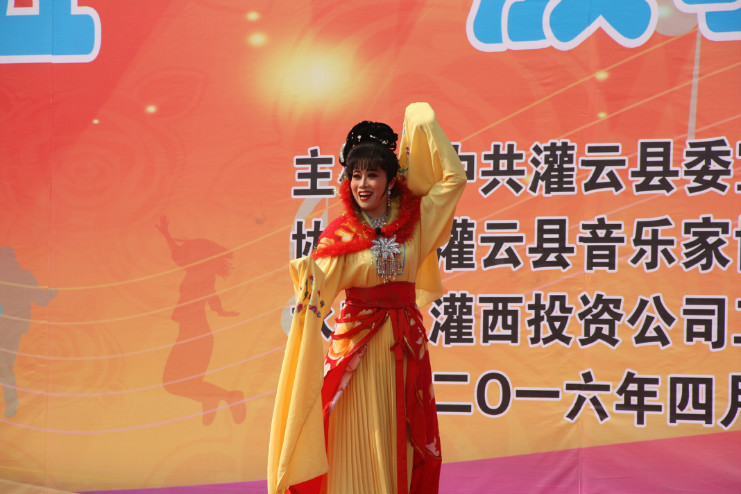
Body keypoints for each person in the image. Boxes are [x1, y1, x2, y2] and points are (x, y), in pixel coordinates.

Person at [268, 102, 466, 494]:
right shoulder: (340, 235)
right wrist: (307, 277)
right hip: (357, 350)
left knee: (402, 435)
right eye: (356, 174)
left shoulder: (418, 221)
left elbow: (453, 180)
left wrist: (421, 117)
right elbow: (317, 291)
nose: (362, 184)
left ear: (391, 180)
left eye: (372, 174)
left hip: (405, 343)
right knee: (355, 437)